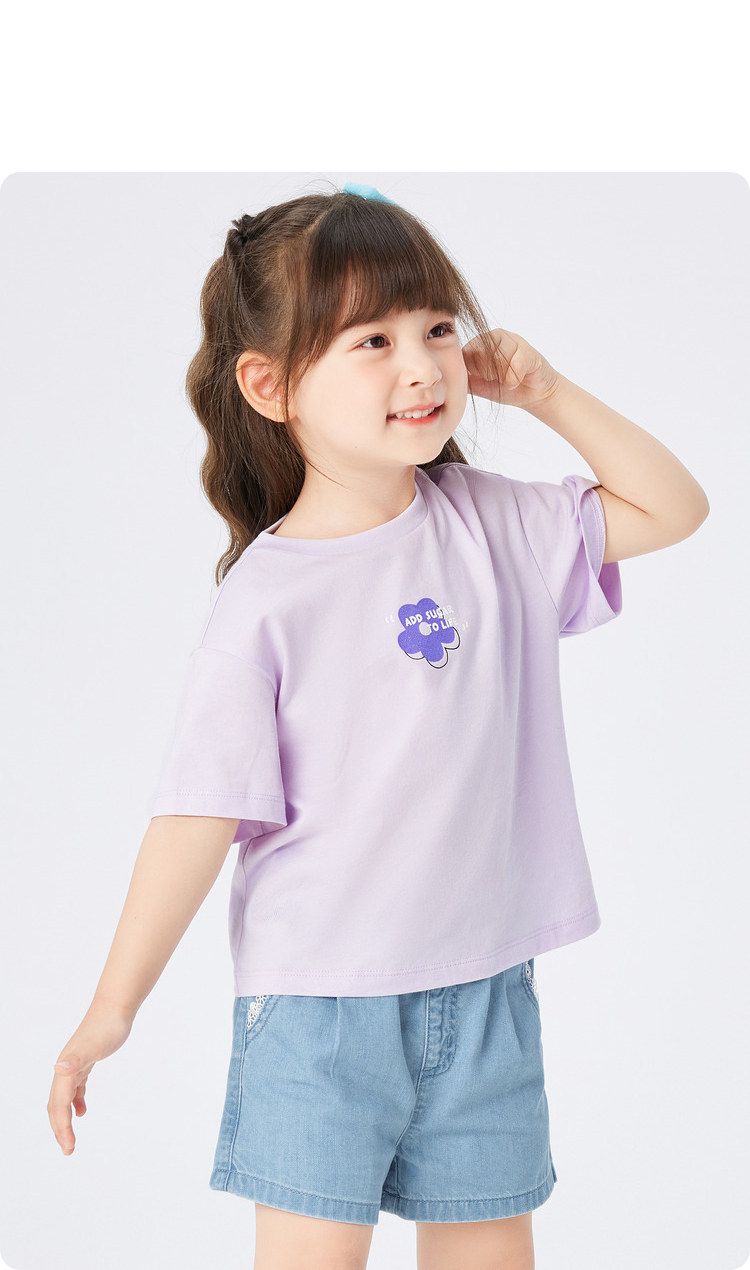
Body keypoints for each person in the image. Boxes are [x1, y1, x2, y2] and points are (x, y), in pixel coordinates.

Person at [47, 180, 709, 1270]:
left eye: (438, 327)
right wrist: (111, 1008)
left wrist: (547, 393)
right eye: (373, 340)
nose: (423, 366)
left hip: (484, 991)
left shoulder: (496, 524)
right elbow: (197, 815)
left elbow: (673, 508)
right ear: (270, 386)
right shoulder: (265, 601)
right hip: (319, 1010)